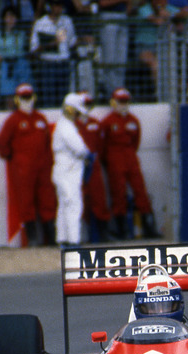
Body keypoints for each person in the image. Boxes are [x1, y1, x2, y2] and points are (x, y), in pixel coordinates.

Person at [0, 83, 57, 246]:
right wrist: (14, 159)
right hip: (23, 171)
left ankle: (50, 238)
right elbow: (1, 143)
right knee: (26, 202)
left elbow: (48, 142)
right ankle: (33, 239)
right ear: (17, 99)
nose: (26, 101)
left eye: (29, 97)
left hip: (43, 169)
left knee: (47, 200)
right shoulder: (13, 120)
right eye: (23, 98)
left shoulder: (40, 118)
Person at [101, 88, 162, 239]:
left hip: (131, 159)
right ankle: (121, 230)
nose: (123, 104)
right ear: (113, 102)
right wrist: (109, 161)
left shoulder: (133, 121)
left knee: (140, 191)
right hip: (115, 160)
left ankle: (148, 227)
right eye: (121, 101)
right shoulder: (107, 122)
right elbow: (101, 146)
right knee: (118, 193)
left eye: (126, 101)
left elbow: (136, 142)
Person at [52, 92, 92, 246]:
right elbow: (80, 149)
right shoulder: (66, 127)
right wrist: (88, 154)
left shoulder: (64, 125)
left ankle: (63, 239)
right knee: (73, 204)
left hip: (64, 169)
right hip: (68, 169)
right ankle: (73, 240)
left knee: (64, 204)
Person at [75, 91, 112, 242]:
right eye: (84, 104)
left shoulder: (96, 124)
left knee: (99, 198)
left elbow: (101, 146)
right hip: (77, 167)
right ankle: (81, 234)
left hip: (94, 165)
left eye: (89, 104)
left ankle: (103, 233)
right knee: (79, 200)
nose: (86, 107)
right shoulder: (70, 124)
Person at [31, 0, 78, 108]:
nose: (58, 8)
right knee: (49, 98)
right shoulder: (40, 23)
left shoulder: (67, 21)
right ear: (50, 6)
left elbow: (72, 42)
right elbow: (34, 49)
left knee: (64, 97)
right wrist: (51, 44)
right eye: (56, 5)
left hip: (63, 62)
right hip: (48, 63)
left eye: (60, 6)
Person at [0, 5, 33, 109]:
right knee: (9, 95)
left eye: (13, 17)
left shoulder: (21, 34)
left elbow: (26, 50)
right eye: (8, 16)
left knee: (23, 92)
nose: (11, 19)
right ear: (4, 18)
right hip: (6, 65)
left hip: (21, 64)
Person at [98, 0, 133, 96]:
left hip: (123, 17)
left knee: (121, 60)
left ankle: (120, 90)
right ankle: (111, 92)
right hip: (108, 16)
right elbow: (102, 3)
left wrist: (128, 7)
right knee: (110, 59)